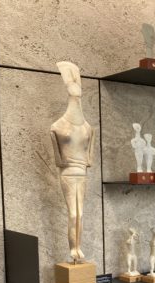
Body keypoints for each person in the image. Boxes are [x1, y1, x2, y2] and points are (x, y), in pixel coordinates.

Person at [50, 61, 93, 262]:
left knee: (81, 214)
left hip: (81, 174)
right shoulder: (57, 127)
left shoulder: (88, 128)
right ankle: (73, 250)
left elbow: (89, 158)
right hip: (68, 174)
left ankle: (78, 249)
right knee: (73, 214)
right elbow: (58, 159)